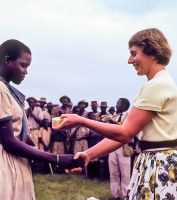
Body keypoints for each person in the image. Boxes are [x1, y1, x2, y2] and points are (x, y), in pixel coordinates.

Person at [54, 28, 177, 199]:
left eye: (134, 53)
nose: (130, 60)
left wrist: (82, 120)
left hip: (159, 163)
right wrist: (88, 155)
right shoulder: (158, 84)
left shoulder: (157, 86)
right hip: (154, 159)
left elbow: (124, 134)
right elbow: (121, 133)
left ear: (152, 52)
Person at [0, 39, 84, 200]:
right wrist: (57, 158)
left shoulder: (5, 89)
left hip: (12, 159)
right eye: (23, 65)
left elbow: (18, 136)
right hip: (2, 161)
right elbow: (9, 142)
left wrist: (35, 152)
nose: (26, 71)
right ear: (7, 60)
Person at [108, 98, 133, 199]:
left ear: (123, 106)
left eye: (118, 104)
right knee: (113, 172)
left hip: (124, 147)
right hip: (112, 146)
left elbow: (124, 128)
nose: (116, 105)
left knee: (125, 173)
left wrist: (111, 122)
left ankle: (126, 195)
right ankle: (115, 195)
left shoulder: (129, 116)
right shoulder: (114, 116)